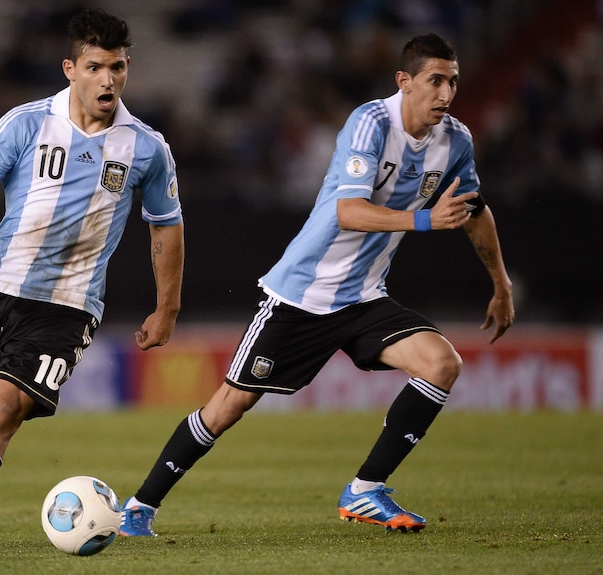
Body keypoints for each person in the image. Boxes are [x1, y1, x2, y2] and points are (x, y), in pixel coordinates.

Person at [120, 32, 514, 536]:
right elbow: (348, 212)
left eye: (453, 82)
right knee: (229, 406)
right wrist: (423, 222)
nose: (446, 93)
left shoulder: (455, 140)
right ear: (404, 81)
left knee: (442, 363)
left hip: (365, 296)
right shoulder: (371, 123)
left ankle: (366, 490)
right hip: (303, 294)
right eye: (435, 80)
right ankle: (140, 507)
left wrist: (500, 282)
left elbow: (474, 208)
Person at [0, 8, 184, 558]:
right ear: (71, 69)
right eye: (95, 67)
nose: (108, 79)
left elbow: (166, 226)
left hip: (64, 309)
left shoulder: (146, 148)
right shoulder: (25, 122)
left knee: (0, 412)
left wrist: (167, 309)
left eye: (118, 67)